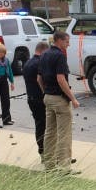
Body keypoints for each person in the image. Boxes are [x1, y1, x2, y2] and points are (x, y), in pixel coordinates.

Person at [38, 31, 80, 172]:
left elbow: (39, 79)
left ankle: (49, 165)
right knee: (64, 133)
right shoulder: (59, 56)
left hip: (48, 97)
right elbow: (61, 79)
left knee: (49, 132)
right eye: (67, 41)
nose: (68, 44)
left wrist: (46, 91)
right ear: (60, 41)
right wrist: (73, 98)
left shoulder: (44, 54)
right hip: (60, 99)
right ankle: (64, 167)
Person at [21, 41, 48, 154]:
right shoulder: (40, 63)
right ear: (44, 50)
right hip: (39, 98)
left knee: (39, 124)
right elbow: (43, 80)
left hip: (31, 97)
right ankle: (45, 151)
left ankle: (41, 150)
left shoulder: (28, 63)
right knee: (45, 125)